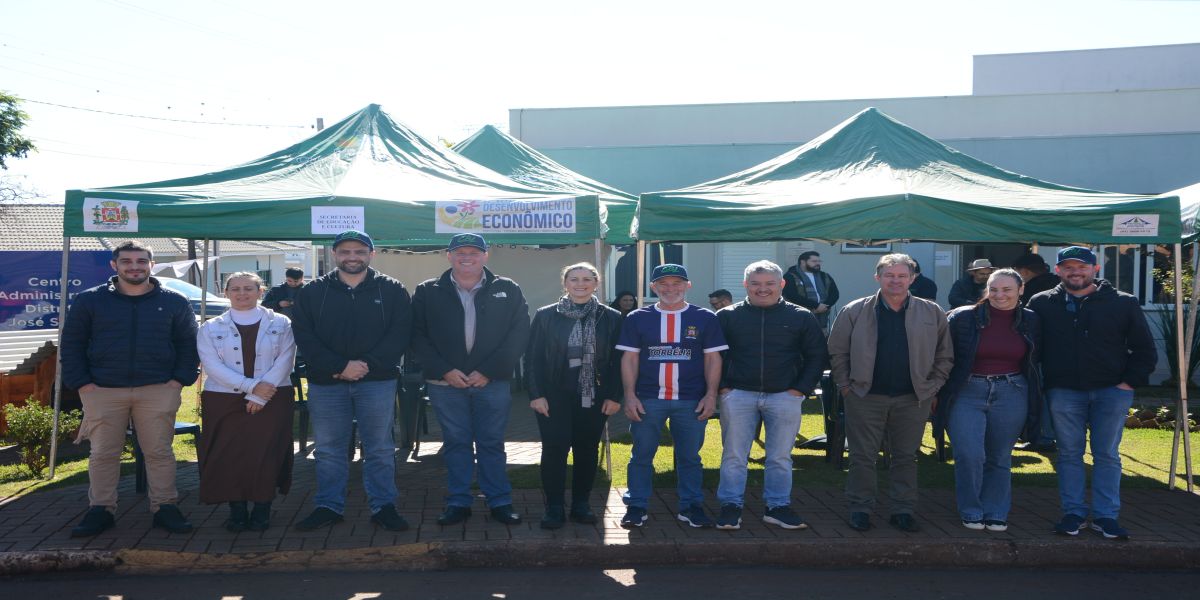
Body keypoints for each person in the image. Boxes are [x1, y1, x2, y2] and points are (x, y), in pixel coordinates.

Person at [60, 240, 199, 537]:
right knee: (103, 454)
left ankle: (165, 507)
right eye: (126, 261)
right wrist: (83, 384)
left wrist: (178, 380)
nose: (134, 267)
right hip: (103, 390)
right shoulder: (90, 300)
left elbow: (189, 344)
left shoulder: (174, 301)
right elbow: (72, 344)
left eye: (141, 261)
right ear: (114, 265)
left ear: (151, 265)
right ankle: (101, 509)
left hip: (158, 388)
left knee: (159, 452)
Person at [1028, 246, 1156, 540]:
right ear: (1058, 270)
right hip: (1063, 392)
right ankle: (1073, 513)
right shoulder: (1041, 302)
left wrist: (1128, 383)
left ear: (1095, 269)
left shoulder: (1123, 302)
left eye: (1082, 267)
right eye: (1068, 267)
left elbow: (1144, 348)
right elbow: (1032, 347)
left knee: (1107, 455)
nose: (1075, 272)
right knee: (1069, 454)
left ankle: (1105, 516)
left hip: (1111, 391)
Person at [290, 230, 412, 532]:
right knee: (329, 449)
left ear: (372, 254)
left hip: (377, 382)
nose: (352, 257)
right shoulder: (313, 291)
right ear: (335, 255)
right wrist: (339, 366)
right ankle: (329, 506)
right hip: (327, 383)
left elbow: (399, 334)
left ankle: (384, 506)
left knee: (379, 448)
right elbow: (304, 335)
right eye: (345, 251)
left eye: (359, 251)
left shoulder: (392, 289)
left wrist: (364, 366)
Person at [828, 253, 953, 533]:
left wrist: (933, 386)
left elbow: (945, 354)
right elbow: (837, 351)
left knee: (906, 456)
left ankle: (903, 510)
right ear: (878, 277)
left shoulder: (931, 312)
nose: (895, 280)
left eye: (902, 276)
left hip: (913, 398)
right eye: (889, 275)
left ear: (912, 278)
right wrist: (846, 386)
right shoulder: (854, 310)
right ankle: (860, 508)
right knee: (862, 456)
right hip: (864, 396)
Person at [412, 233, 530, 526]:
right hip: (445, 384)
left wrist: (489, 370)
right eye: (460, 252)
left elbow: (519, 333)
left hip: (492, 383)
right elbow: (416, 336)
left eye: (474, 253)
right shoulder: (427, 291)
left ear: (485, 256)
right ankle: (458, 502)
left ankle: (499, 501)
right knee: (456, 443)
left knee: (491, 443)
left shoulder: (507, 288)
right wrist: (444, 370)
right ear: (449, 256)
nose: (467, 258)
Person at [715, 260, 827, 530]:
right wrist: (724, 387)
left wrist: (799, 389)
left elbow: (817, 355)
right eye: (755, 283)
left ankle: (777, 507)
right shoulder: (727, 316)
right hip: (739, 394)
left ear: (782, 284)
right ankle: (730, 506)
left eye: (769, 283)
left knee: (779, 457)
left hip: (784, 396)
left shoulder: (801, 316)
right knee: (734, 455)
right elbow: (713, 356)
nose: (762, 289)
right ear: (745, 284)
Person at [616, 263, 727, 529]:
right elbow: (629, 359)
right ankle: (636, 505)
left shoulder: (705, 318)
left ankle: (691, 506)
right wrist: (629, 396)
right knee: (641, 455)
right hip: (648, 399)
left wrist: (711, 395)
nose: (670, 289)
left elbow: (713, 359)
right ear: (653, 287)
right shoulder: (637, 318)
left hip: (691, 400)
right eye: (663, 284)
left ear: (688, 286)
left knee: (690, 458)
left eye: (677, 283)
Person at [938, 269, 1041, 532]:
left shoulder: (1031, 319)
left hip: (1012, 390)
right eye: (993, 289)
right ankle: (971, 508)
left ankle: (996, 510)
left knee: (999, 456)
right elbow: (942, 355)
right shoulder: (963, 317)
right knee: (969, 454)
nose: (999, 295)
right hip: (967, 390)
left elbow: (1035, 359)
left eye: (1007, 290)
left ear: (1021, 290)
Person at [196, 272, 297, 532]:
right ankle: (237, 511)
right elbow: (211, 366)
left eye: (249, 288)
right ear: (226, 292)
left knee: (266, 452)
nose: (242, 293)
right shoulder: (209, 327)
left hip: (274, 396)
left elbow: (286, 359)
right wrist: (252, 388)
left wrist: (260, 394)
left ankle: (263, 508)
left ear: (260, 292)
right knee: (230, 454)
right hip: (223, 398)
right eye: (236, 288)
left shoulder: (282, 323)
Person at [526, 263, 624, 529]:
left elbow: (618, 361)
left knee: (587, 450)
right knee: (554, 450)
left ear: (596, 283)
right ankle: (554, 507)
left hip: (593, 396)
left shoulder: (612, 318)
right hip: (553, 396)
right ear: (565, 283)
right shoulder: (546, 315)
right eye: (574, 279)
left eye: (587, 279)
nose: (580, 284)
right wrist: (536, 394)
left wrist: (614, 396)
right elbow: (533, 358)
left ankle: (581, 504)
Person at [783, 251, 840, 330]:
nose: (818, 263)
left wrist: (825, 306)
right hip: (798, 318)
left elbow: (835, 294)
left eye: (819, 261)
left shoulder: (825, 276)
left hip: (822, 319)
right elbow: (791, 295)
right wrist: (816, 306)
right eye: (814, 261)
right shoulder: (790, 276)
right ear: (803, 262)